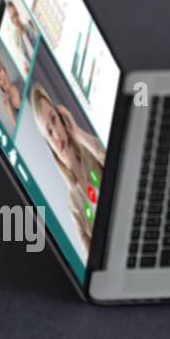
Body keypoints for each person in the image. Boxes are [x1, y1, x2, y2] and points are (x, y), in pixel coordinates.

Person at [29, 83, 104, 251]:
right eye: (49, 132)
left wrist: (78, 134)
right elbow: (91, 257)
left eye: (54, 119)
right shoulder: (74, 206)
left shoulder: (91, 152)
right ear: (49, 144)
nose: (56, 134)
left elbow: (115, 162)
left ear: (61, 116)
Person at [0, 56, 23, 123]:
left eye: (0, 69)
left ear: (5, 70)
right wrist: (9, 112)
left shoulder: (21, 82)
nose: (1, 77)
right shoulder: (9, 106)